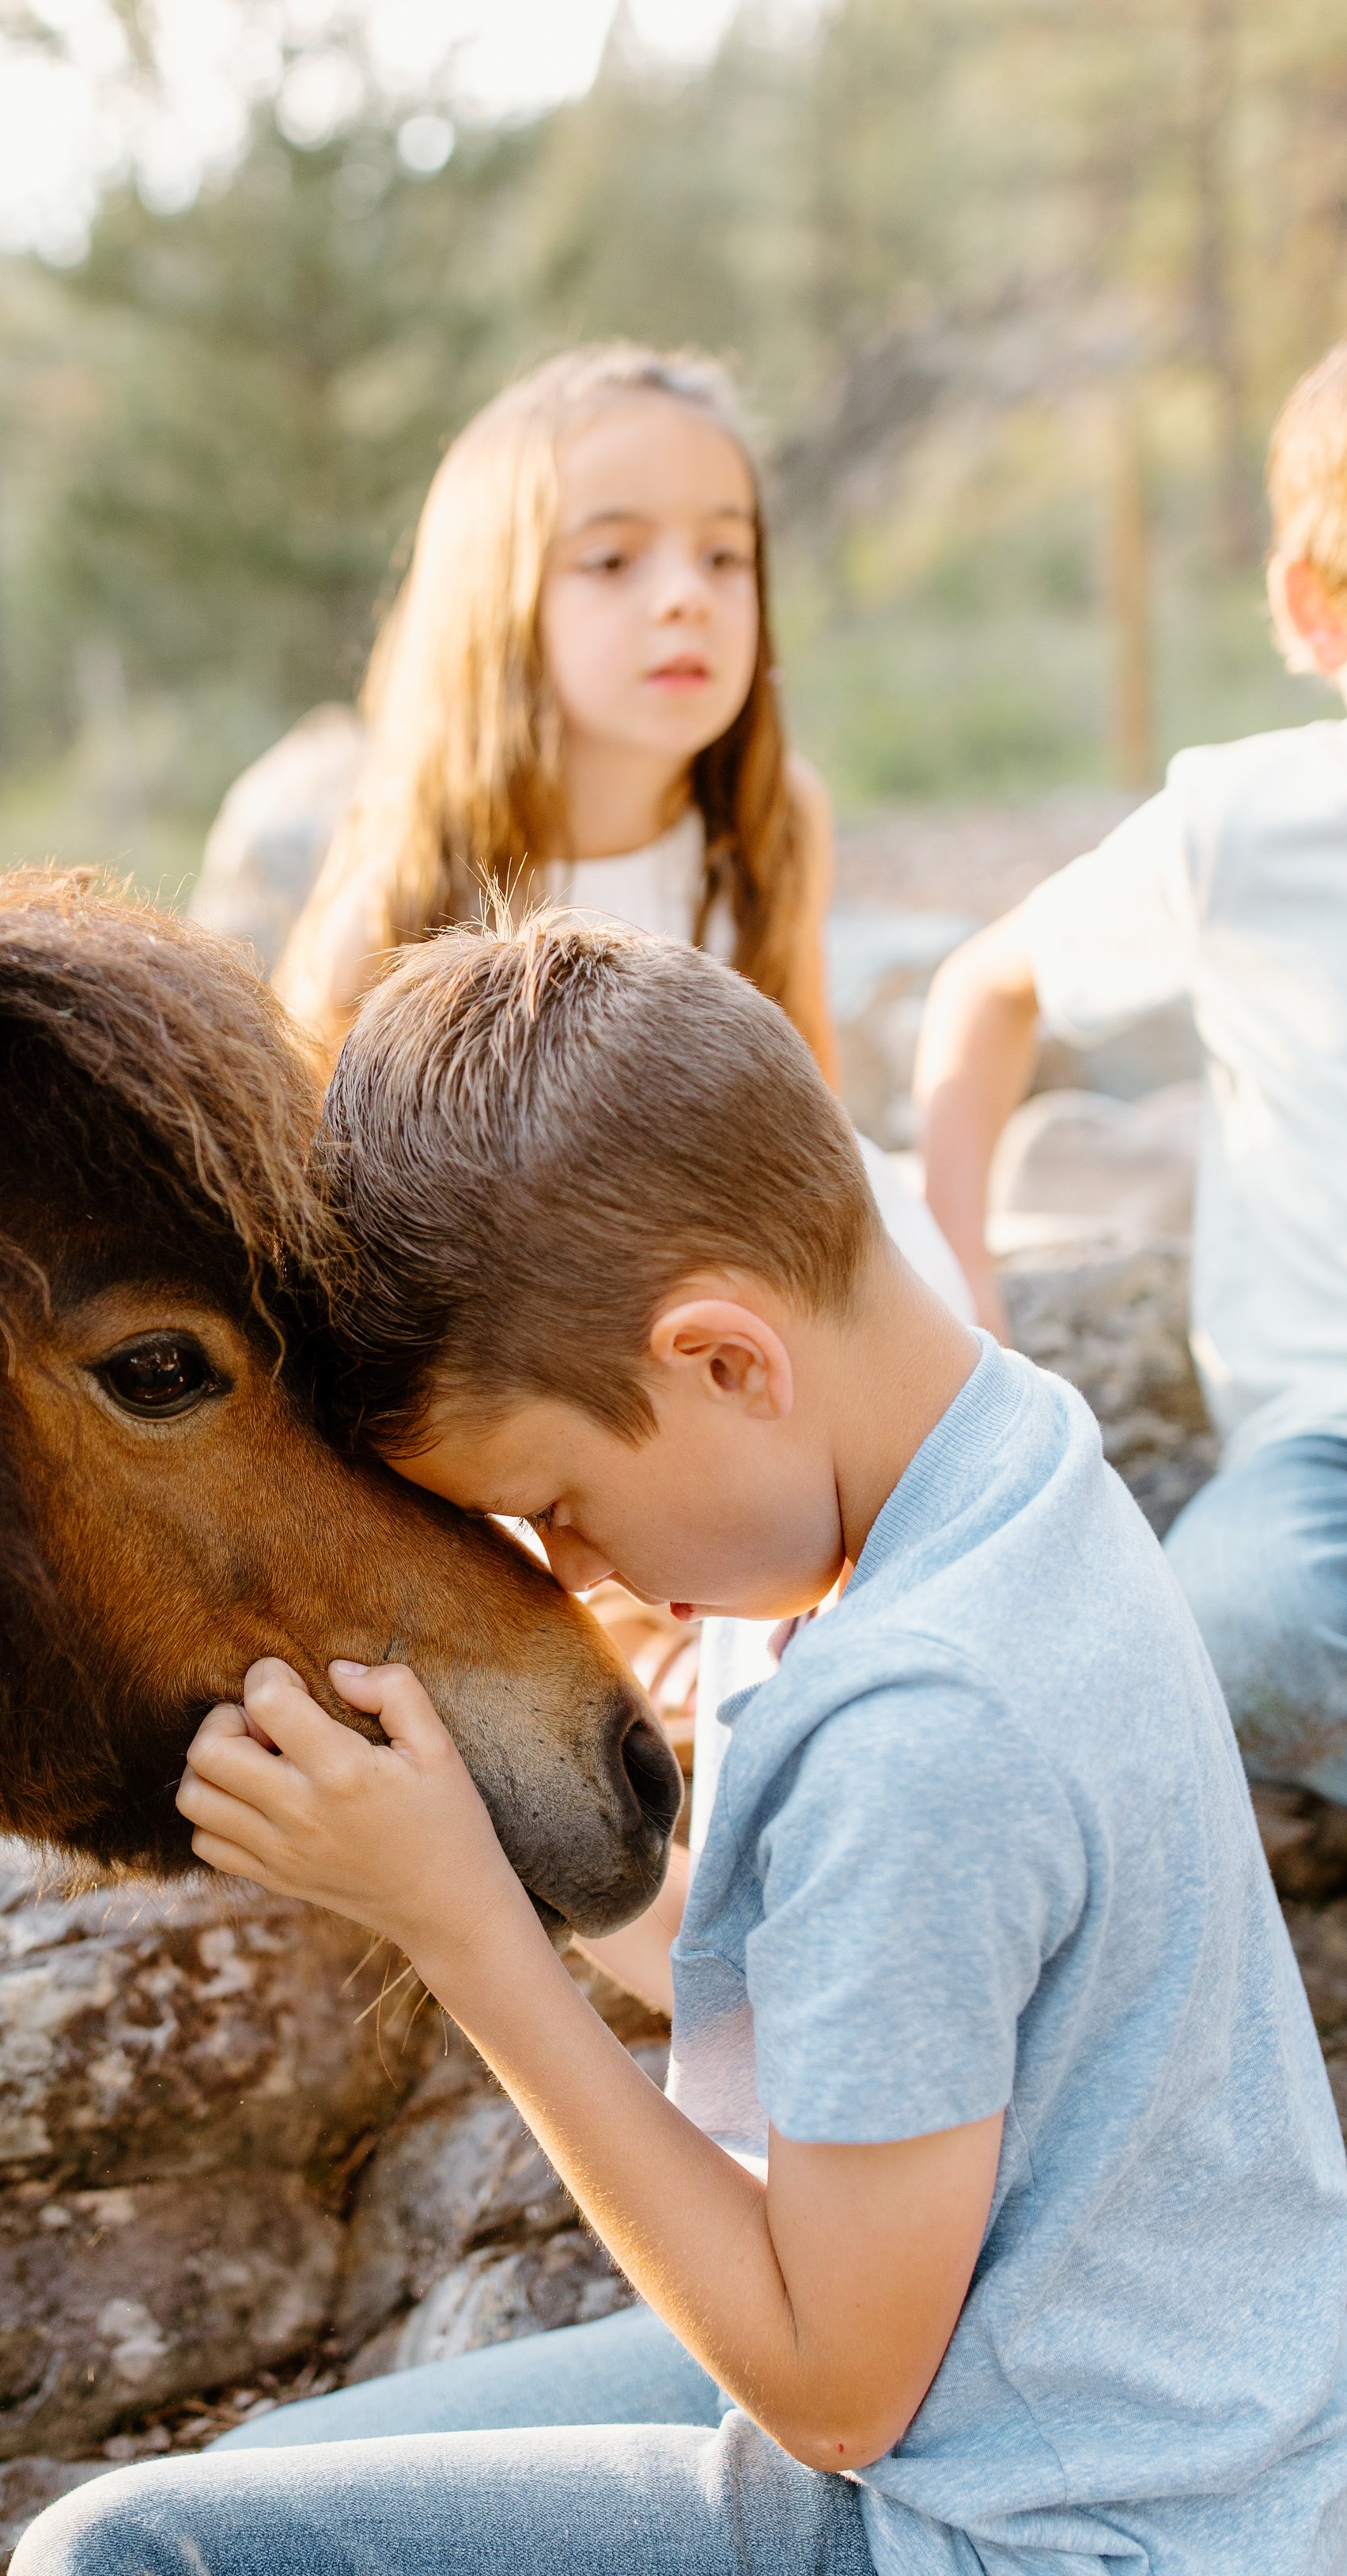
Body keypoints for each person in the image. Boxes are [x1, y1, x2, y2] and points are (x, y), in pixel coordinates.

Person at [1, 915, 1347, 2576]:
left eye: (557, 1503)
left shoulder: (925, 1729)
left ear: (723, 1355)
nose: (578, 1574)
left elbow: (827, 2386)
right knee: (273, 2499)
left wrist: (470, 1939)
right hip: (1137, 2475)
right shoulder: (978, 1466)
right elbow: (827, 1989)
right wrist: (441, 1844)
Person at [284, 338, 971, 1744]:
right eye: (612, 562)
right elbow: (356, 1282)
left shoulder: (770, 830)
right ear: (499, 601)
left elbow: (808, 1128)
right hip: (557, 1376)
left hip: (766, 1338)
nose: (686, 599)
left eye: (726, 558)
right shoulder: (400, 898)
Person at [917, 301, 1347, 1841]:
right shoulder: (1241, 834)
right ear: (1321, 611)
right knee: (1244, 1618)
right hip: (1345, 1459)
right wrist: (959, 1275)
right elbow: (984, 986)